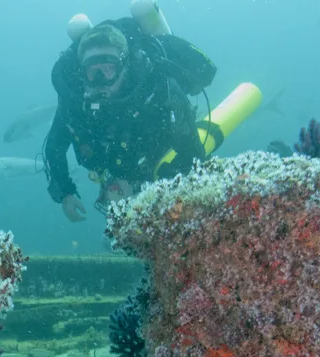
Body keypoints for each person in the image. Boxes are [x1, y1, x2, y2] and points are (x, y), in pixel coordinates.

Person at [43, 18, 217, 221]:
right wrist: (65, 193)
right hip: (118, 162)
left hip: (155, 162)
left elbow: (192, 154)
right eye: (93, 71)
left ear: (124, 68)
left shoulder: (158, 94)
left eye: (109, 69)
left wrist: (171, 186)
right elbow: (54, 147)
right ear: (82, 73)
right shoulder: (75, 106)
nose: (100, 80)